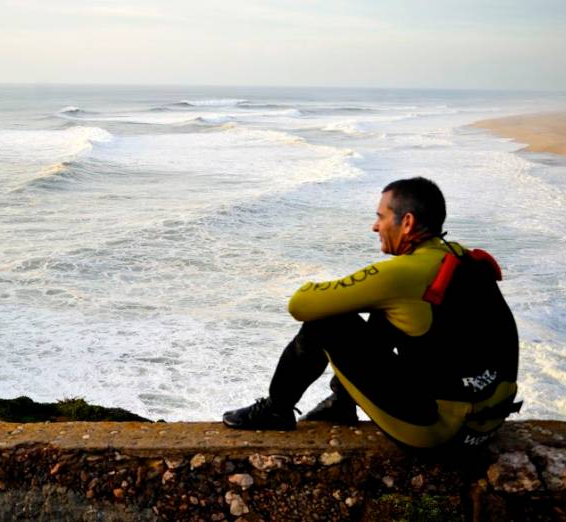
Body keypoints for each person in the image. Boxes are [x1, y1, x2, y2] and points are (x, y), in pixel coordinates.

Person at [222, 177, 521, 449]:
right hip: (486, 422)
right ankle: (342, 402)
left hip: (439, 431)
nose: (375, 226)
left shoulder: (403, 274)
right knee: (392, 312)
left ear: (407, 222)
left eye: (380, 217)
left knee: (325, 322)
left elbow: (300, 305)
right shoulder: (462, 258)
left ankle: (277, 408)